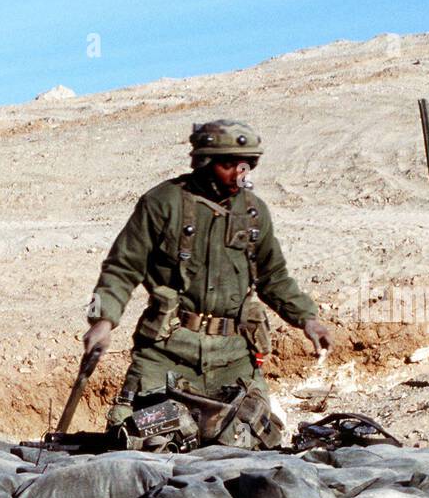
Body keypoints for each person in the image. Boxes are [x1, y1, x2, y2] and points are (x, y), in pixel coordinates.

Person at [83, 119, 332, 440]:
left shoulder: (255, 213)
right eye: (228, 165)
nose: (239, 174)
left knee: (251, 446)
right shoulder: (162, 203)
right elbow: (121, 268)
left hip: (234, 359)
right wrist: (102, 321)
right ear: (204, 162)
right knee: (146, 441)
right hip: (166, 354)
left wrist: (307, 319)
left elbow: (274, 277)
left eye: (245, 166)